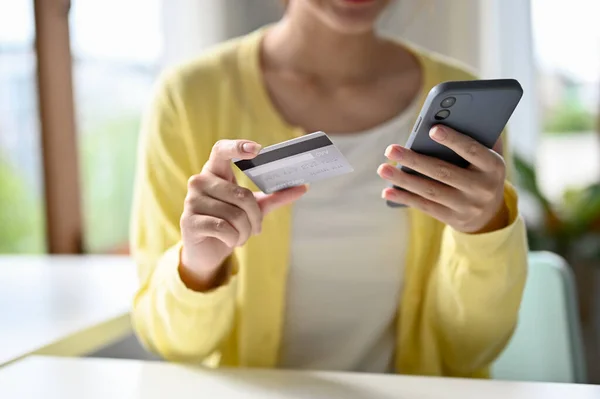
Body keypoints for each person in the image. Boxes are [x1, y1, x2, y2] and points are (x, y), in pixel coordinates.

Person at [130, 0, 527, 377]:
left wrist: (483, 231)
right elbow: (175, 344)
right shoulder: (189, 98)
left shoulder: (465, 101)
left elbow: (473, 348)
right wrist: (198, 267)